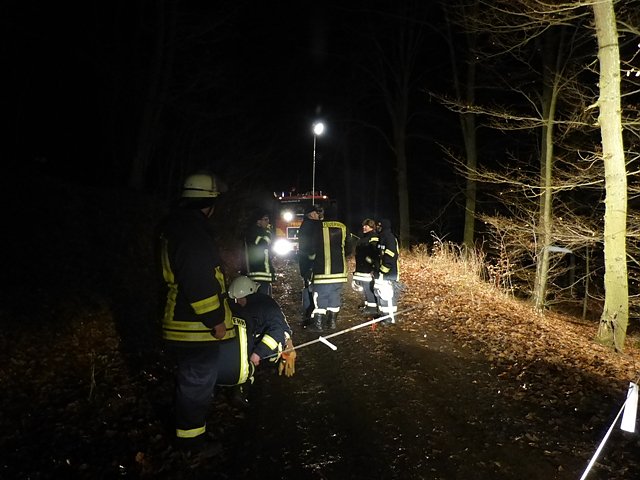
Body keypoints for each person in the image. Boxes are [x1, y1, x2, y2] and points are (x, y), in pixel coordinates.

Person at [157, 171, 233, 455]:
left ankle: (190, 434)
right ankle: (191, 444)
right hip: (194, 327)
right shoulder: (192, 232)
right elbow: (198, 280)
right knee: (197, 383)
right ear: (209, 203)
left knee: (192, 382)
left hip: (182, 320)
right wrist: (215, 320)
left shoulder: (177, 226)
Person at [217, 275, 295, 406]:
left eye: (240, 299)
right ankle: (242, 387)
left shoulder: (266, 305)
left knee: (269, 352)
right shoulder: (233, 307)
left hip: (263, 349)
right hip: (246, 350)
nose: (238, 302)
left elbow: (279, 328)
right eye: (236, 300)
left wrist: (288, 345)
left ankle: (260, 375)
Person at [309, 212, 351, 332]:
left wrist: (310, 260)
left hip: (321, 270)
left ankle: (318, 325)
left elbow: (311, 248)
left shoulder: (318, 226)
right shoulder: (343, 227)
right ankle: (332, 323)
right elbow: (349, 247)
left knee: (320, 297)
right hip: (339, 271)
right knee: (334, 296)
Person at [297, 204, 323, 326]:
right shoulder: (314, 226)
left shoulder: (305, 225)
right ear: (312, 214)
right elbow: (315, 244)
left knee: (307, 287)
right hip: (312, 264)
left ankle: (307, 314)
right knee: (314, 289)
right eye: (317, 213)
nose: (319, 215)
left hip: (305, 263)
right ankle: (311, 315)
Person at [373, 218, 400, 325]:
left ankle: (389, 318)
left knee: (387, 295)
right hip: (380, 273)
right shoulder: (381, 238)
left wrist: (384, 270)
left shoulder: (389, 238)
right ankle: (383, 315)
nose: (377, 227)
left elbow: (391, 255)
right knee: (380, 294)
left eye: (379, 226)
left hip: (388, 274)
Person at [243, 210, 275, 296]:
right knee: (262, 298)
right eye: (265, 219)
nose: (268, 222)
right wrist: (268, 233)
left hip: (261, 273)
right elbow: (264, 243)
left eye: (268, 219)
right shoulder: (254, 232)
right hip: (259, 273)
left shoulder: (258, 232)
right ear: (258, 221)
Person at [352, 218, 379, 316]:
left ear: (371, 227)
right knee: (365, 287)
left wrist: (371, 264)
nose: (364, 227)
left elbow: (374, 253)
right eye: (363, 226)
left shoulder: (374, 238)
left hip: (368, 268)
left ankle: (372, 308)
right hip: (362, 267)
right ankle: (368, 305)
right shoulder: (364, 238)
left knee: (368, 288)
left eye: (366, 226)